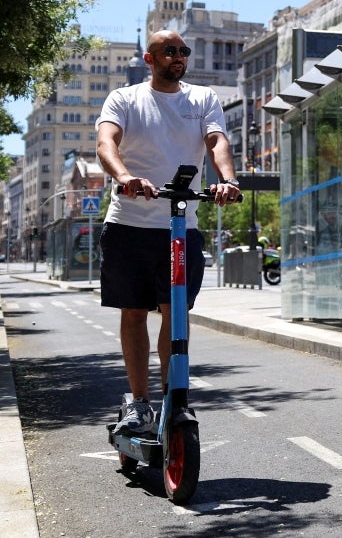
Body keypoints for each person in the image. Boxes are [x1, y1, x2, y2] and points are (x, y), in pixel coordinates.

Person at [97, 29, 241, 435]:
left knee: (175, 313)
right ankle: (138, 403)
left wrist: (228, 180)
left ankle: (172, 397)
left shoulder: (203, 99)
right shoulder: (125, 99)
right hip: (129, 223)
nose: (178, 57)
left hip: (182, 225)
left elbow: (217, 143)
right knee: (134, 311)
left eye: (183, 52)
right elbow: (106, 143)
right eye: (169, 51)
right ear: (150, 58)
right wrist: (126, 177)